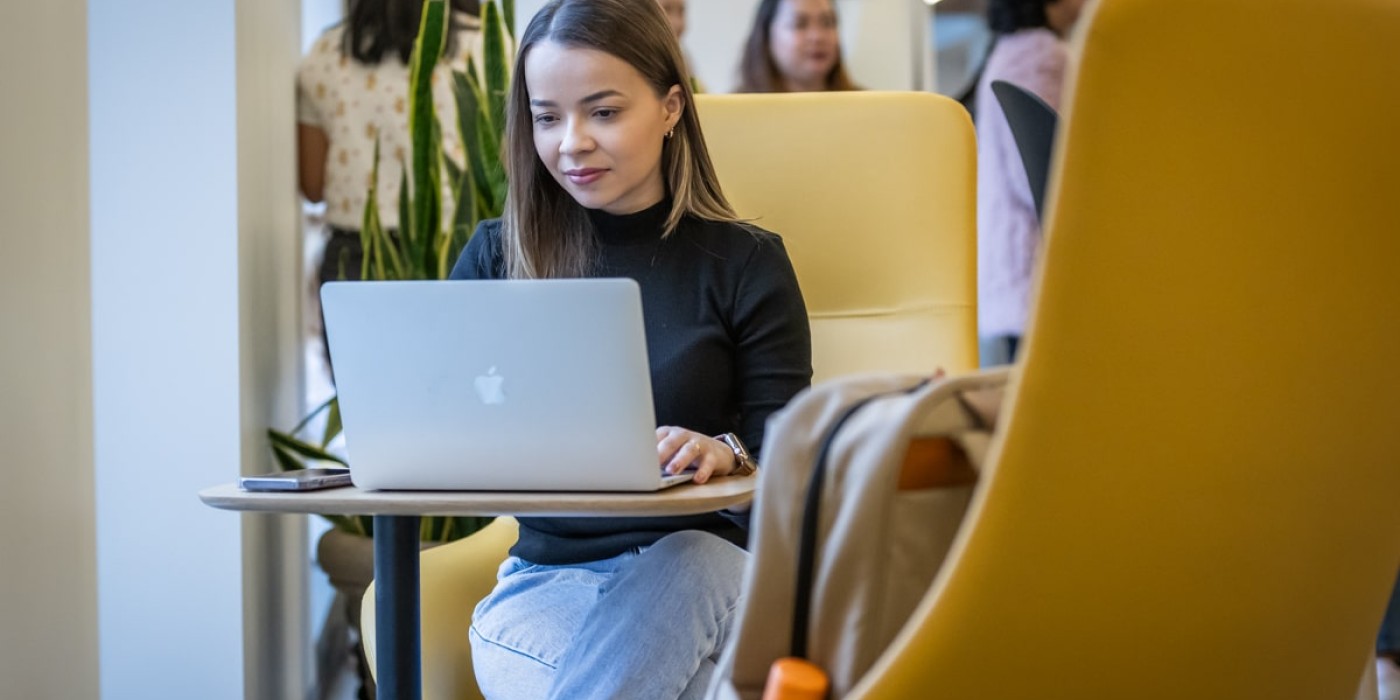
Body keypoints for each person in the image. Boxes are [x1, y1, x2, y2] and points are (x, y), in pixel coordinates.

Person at [450, 0, 813, 698]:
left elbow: (793, 479)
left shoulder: (746, 264)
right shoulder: (498, 258)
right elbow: (443, 430)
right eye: (547, 117)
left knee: (693, 561)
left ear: (671, 107)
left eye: (604, 112)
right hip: (546, 589)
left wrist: (728, 456)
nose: (571, 143)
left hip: (715, 579)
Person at [296, 0, 480, 288]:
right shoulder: (484, 45)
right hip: (457, 252)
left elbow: (313, 186)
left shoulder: (326, 53)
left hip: (355, 259)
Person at [973, 0, 1086, 366]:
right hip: (1034, 267)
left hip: (1013, 271)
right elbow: (1038, 171)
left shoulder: (1011, 49)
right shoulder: (1041, 54)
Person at [736, 0, 859, 93]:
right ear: (767, 37)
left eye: (827, 22)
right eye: (800, 24)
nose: (817, 37)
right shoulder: (735, 109)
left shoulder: (865, 105)